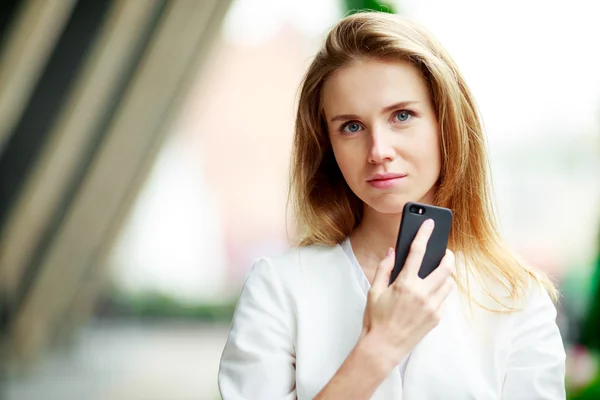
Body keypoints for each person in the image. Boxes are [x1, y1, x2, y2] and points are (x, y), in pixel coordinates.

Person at [218, 11, 566, 400]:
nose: (378, 151)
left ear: (445, 125)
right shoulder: (279, 288)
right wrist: (378, 349)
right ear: (328, 146)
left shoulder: (514, 298)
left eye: (402, 116)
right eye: (351, 126)